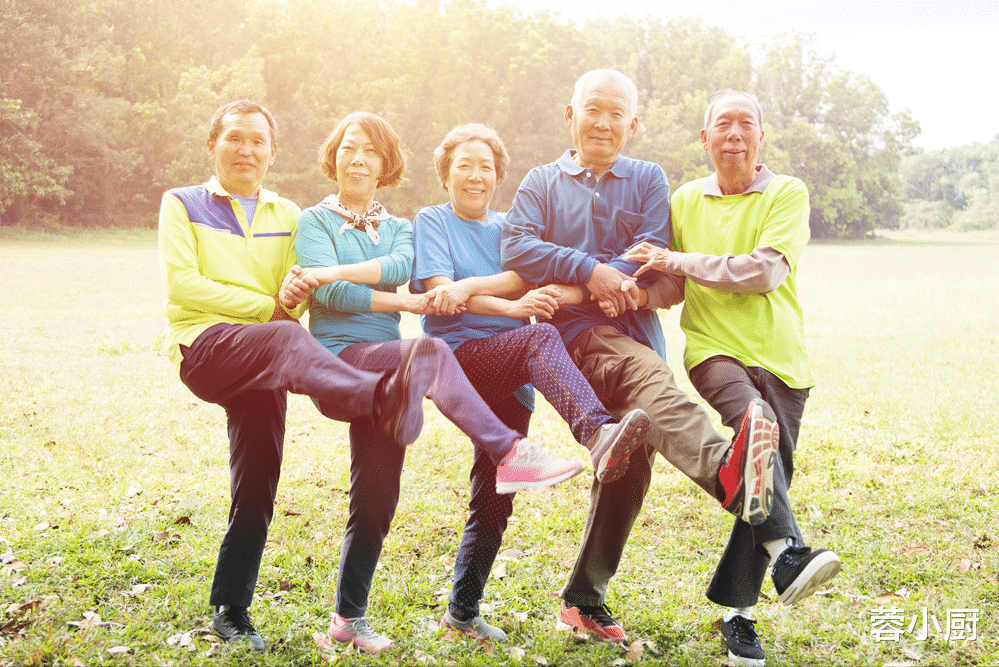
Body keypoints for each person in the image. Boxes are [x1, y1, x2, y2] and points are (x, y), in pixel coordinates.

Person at [501, 69, 834, 644]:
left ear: (632, 125)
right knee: (654, 388)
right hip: (579, 343)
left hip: (635, 332)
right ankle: (730, 477)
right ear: (570, 114)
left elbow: (648, 259)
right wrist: (592, 270)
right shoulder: (541, 182)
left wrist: (589, 279)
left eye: (616, 115)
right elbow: (517, 244)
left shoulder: (650, 180)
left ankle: (582, 601)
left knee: (627, 471)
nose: (603, 123)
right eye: (592, 110)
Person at [293, 111, 584, 654]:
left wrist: (343, 276)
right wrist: (383, 293)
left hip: (397, 364)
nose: (358, 160)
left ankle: (363, 618)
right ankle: (511, 449)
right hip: (364, 355)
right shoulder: (318, 221)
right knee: (428, 350)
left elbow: (400, 263)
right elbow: (335, 296)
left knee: (381, 492)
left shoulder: (401, 228)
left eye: (371, 152)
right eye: (350, 149)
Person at [158, 100, 441, 653]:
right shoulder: (183, 203)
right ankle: (377, 393)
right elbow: (183, 286)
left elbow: (305, 284)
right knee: (290, 336)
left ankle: (232, 609)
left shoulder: (289, 215)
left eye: (258, 141)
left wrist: (292, 295)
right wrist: (271, 306)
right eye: (235, 138)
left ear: (272, 151)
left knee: (260, 475)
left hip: (265, 359)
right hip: (207, 346)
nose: (246, 150)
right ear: (213, 143)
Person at [621, 89, 841, 667]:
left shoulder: (787, 193)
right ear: (705, 138)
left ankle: (736, 616)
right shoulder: (686, 199)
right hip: (714, 351)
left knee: (764, 479)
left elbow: (764, 271)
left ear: (761, 136)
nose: (735, 136)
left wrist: (678, 263)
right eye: (724, 125)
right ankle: (791, 552)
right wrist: (632, 291)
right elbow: (665, 280)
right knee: (755, 431)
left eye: (747, 125)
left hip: (785, 360)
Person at [410, 123, 651, 642]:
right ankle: (597, 433)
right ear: (446, 174)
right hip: (460, 359)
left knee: (496, 493)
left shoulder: (507, 228)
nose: (476, 176)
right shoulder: (432, 220)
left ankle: (462, 611)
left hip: (510, 370)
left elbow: (524, 273)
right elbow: (444, 294)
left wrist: (524, 294)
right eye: (464, 166)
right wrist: (513, 307)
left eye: (486, 168)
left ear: (498, 176)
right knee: (541, 338)